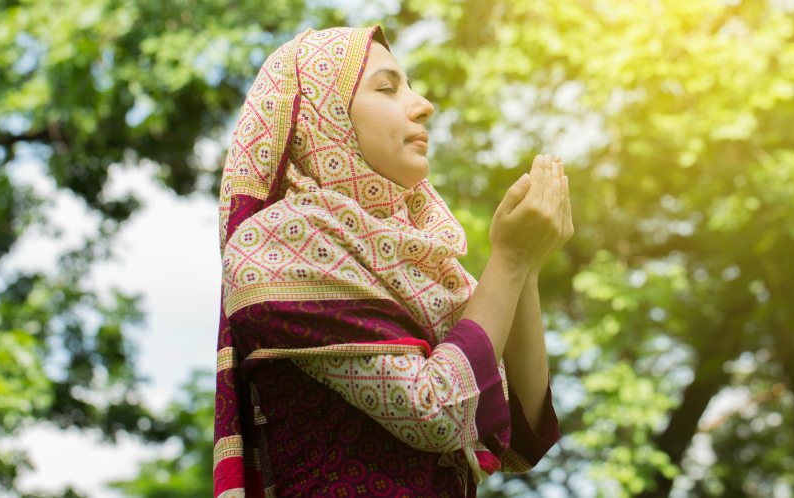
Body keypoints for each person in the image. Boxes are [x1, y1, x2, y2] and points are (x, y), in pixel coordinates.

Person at [214, 25, 573, 498]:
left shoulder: (425, 260)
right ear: (324, 114)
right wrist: (508, 260)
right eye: (387, 88)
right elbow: (435, 409)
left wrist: (527, 264)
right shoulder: (274, 243)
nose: (423, 104)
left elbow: (523, 440)